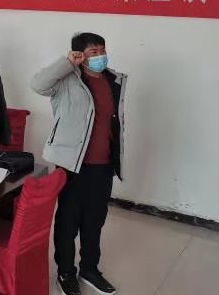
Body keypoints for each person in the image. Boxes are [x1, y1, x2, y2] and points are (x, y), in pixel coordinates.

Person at [31, 33, 126, 295]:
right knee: (68, 221)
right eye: (93, 52)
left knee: (95, 220)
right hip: (72, 164)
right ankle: (65, 272)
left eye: (102, 50)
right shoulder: (66, 80)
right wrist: (66, 63)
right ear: (79, 55)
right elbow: (37, 84)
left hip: (103, 163)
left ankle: (89, 269)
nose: (100, 56)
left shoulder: (113, 80)